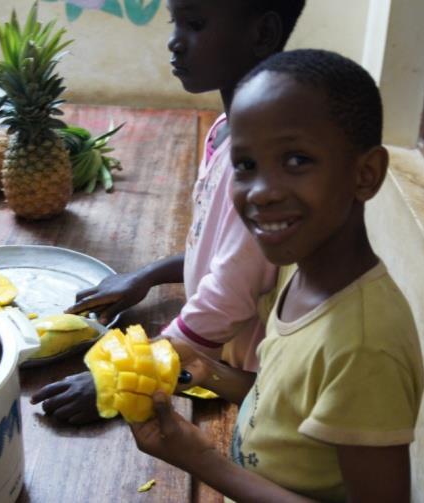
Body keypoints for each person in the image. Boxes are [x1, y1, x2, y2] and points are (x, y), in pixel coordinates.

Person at [129, 49, 424, 502]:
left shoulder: (366, 346)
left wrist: (203, 461)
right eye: (246, 165)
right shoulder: (302, 275)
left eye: (296, 160)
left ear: (365, 174)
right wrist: (206, 372)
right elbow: (280, 403)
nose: (262, 192)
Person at [30, 0, 307, 424]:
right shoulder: (225, 130)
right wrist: (147, 276)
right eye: (174, 23)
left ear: (261, 34)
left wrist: (124, 375)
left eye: (195, 24)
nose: (175, 43)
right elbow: (221, 253)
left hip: (244, 383)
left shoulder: (262, 165)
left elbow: (228, 299)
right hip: (205, 351)